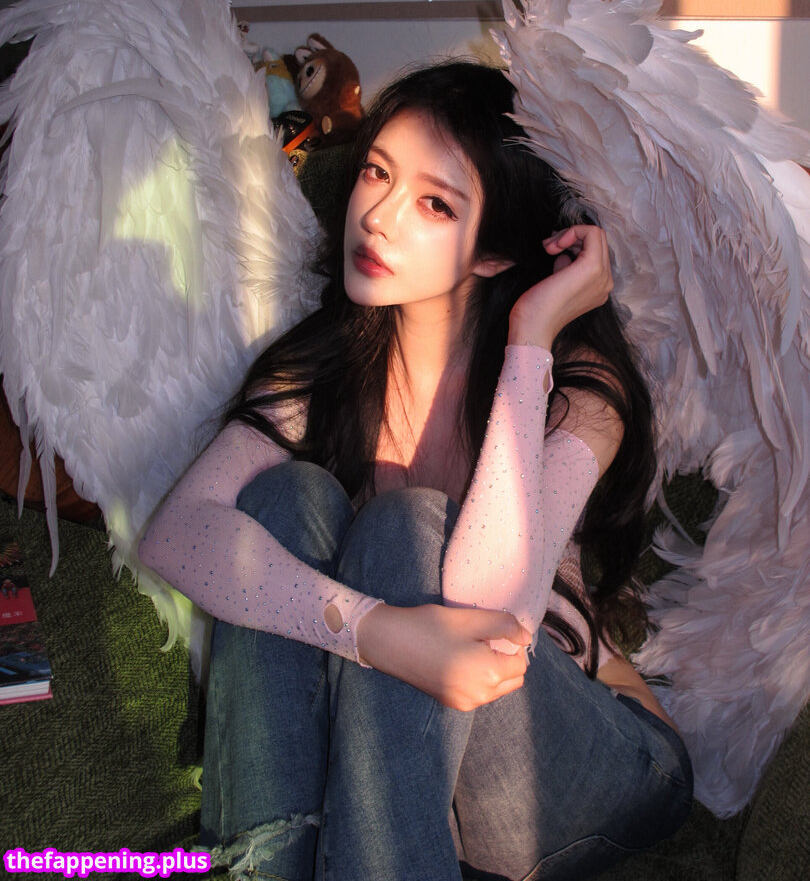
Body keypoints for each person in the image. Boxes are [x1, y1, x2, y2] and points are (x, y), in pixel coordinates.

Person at [140, 61, 693, 880]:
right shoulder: (324, 370)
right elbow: (178, 534)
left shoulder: (577, 392)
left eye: (436, 204)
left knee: (405, 525)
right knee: (282, 497)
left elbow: (491, 612)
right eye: (377, 173)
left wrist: (533, 337)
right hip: (413, 766)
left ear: (497, 252)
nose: (378, 218)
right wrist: (372, 632)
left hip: (591, 754)